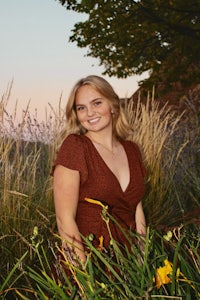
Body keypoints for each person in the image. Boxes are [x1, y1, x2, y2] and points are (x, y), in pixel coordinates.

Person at [52, 75, 146, 263]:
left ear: (112, 105)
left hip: (128, 265)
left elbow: (136, 208)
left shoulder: (132, 150)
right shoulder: (76, 147)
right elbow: (64, 220)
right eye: (81, 108)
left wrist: (143, 260)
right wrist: (86, 280)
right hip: (89, 261)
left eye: (96, 103)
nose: (89, 113)